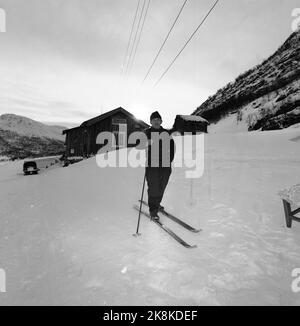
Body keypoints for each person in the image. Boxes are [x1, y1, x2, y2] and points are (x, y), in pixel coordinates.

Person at [143, 111, 175, 221]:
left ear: (161, 121)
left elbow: (172, 148)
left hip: (165, 165)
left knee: (162, 186)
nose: (156, 122)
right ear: (150, 122)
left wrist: (169, 159)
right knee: (153, 187)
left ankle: (157, 203)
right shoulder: (146, 133)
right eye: (154, 120)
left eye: (158, 120)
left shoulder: (166, 133)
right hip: (152, 165)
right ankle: (153, 211)